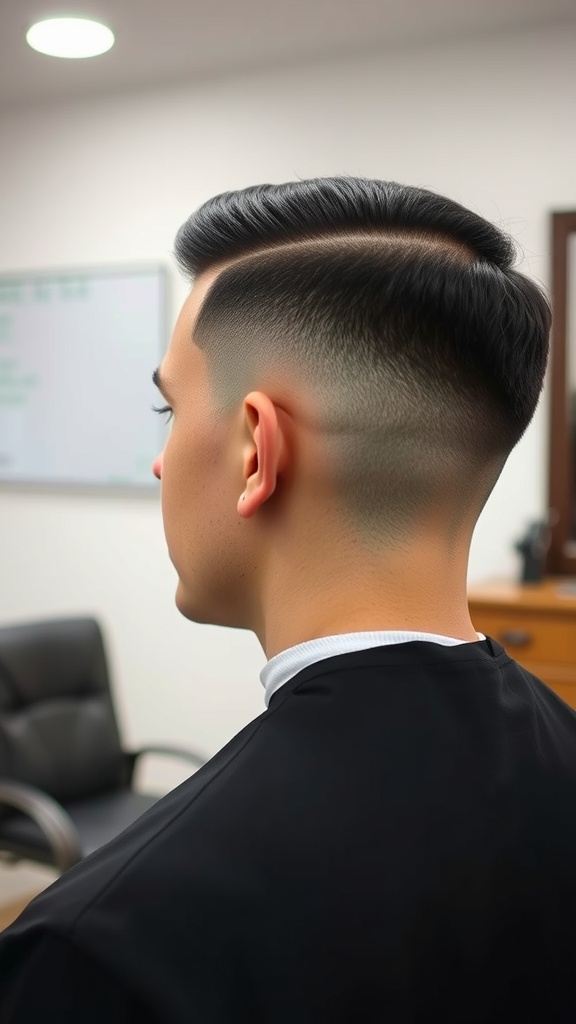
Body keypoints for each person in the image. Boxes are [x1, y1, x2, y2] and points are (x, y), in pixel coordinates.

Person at [0, 176, 573, 1024]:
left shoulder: (105, 948)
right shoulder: (560, 753)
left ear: (256, 453)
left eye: (170, 407)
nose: (160, 463)